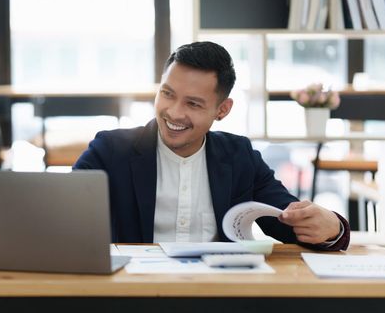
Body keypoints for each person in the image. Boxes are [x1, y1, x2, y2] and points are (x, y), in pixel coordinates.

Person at [74, 41, 349, 250]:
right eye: (167, 94)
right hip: (136, 293)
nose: (174, 112)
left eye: (193, 104)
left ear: (223, 109)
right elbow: (62, 215)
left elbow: (290, 223)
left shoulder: (240, 156)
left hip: (218, 294)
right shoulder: (110, 150)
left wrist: (332, 227)